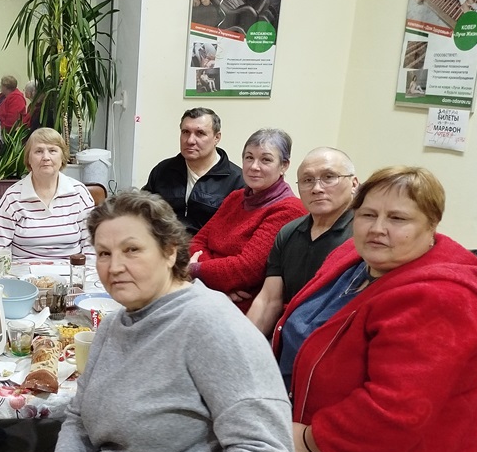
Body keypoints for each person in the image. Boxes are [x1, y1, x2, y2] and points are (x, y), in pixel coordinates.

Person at [20, 190, 301, 452]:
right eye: (104, 253)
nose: (115, 267)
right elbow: (79, 422)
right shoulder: (116, 324)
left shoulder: (212, 325)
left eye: (132, 250)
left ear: (171, 252)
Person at [275, 167, 477, 452]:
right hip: (337, 440)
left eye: (398, 218)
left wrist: (308, 440)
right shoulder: (357, 260)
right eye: (368, 214)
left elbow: (391, 415)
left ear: (431, 226)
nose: (378, 228)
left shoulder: (439, 299)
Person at [189, 129, 306, 313]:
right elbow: (197, 241)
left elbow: (245, 270)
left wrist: (195, 269)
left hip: (243, 310)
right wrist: (216, 284)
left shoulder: (289, 209)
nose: (254, 166)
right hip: (207, 294)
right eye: (249, 157)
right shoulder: (236, 198)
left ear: (284, 166)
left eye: (265, 160)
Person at [247, 147, 358, 337]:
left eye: (329, 177)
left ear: (354, 183)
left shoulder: (364, 236)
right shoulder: (288, 232)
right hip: (288, 336)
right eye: (307, 180)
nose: (317, 188)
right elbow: (268, 300)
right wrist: (243, 346)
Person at [0, 127, 95, 262]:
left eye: (52, 151)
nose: (46, 157)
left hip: (70, 275)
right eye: (39, 151)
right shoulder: (12, 197)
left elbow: (91, 248)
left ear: (62, 157)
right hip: (24, 277)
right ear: (29, 159)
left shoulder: (79, 193)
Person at [142, 107, 244, 235]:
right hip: (164, 247)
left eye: (200, 133)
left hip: (209, 252)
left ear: (216, 138)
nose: (190, 140)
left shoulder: (236, 181)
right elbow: (142, 212)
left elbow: (236, 232)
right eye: (185, 132)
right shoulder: (163, 170)